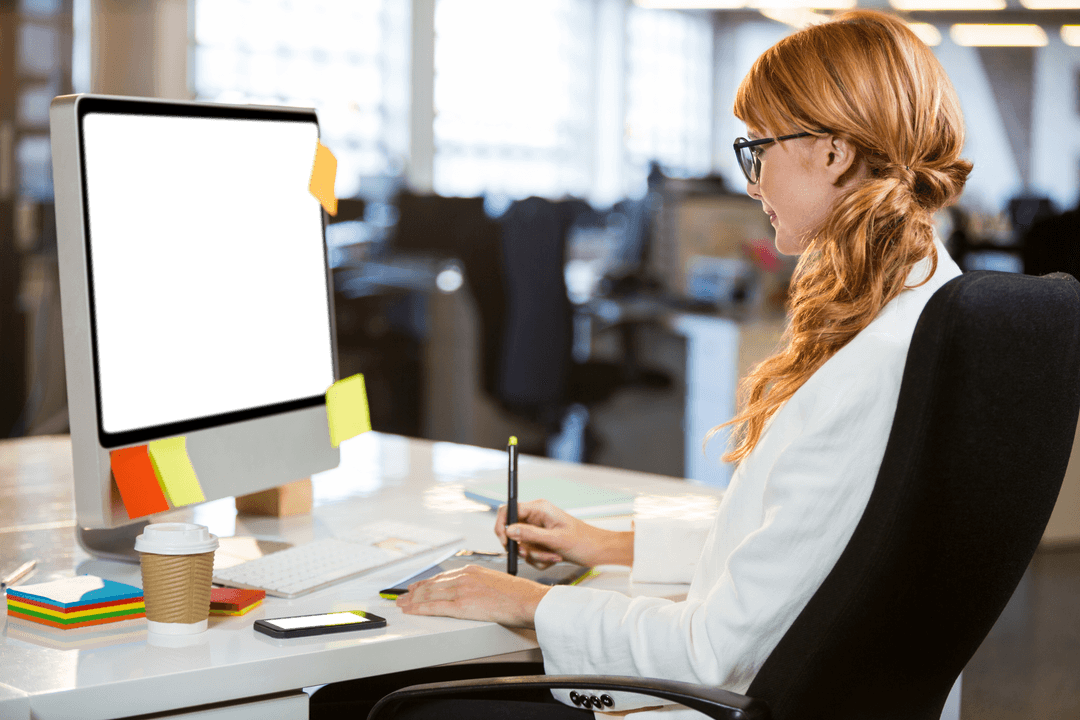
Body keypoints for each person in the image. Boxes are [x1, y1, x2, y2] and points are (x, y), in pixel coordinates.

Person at [310, 9, 971, 719]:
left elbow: (709, 655)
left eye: (758, 150)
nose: (753, 185)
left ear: (833, 152)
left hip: (715, 703)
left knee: (358, 706)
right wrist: (609, 544)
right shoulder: (925, 310)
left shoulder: (873, 365)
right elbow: (799, 553)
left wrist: (531, 602)